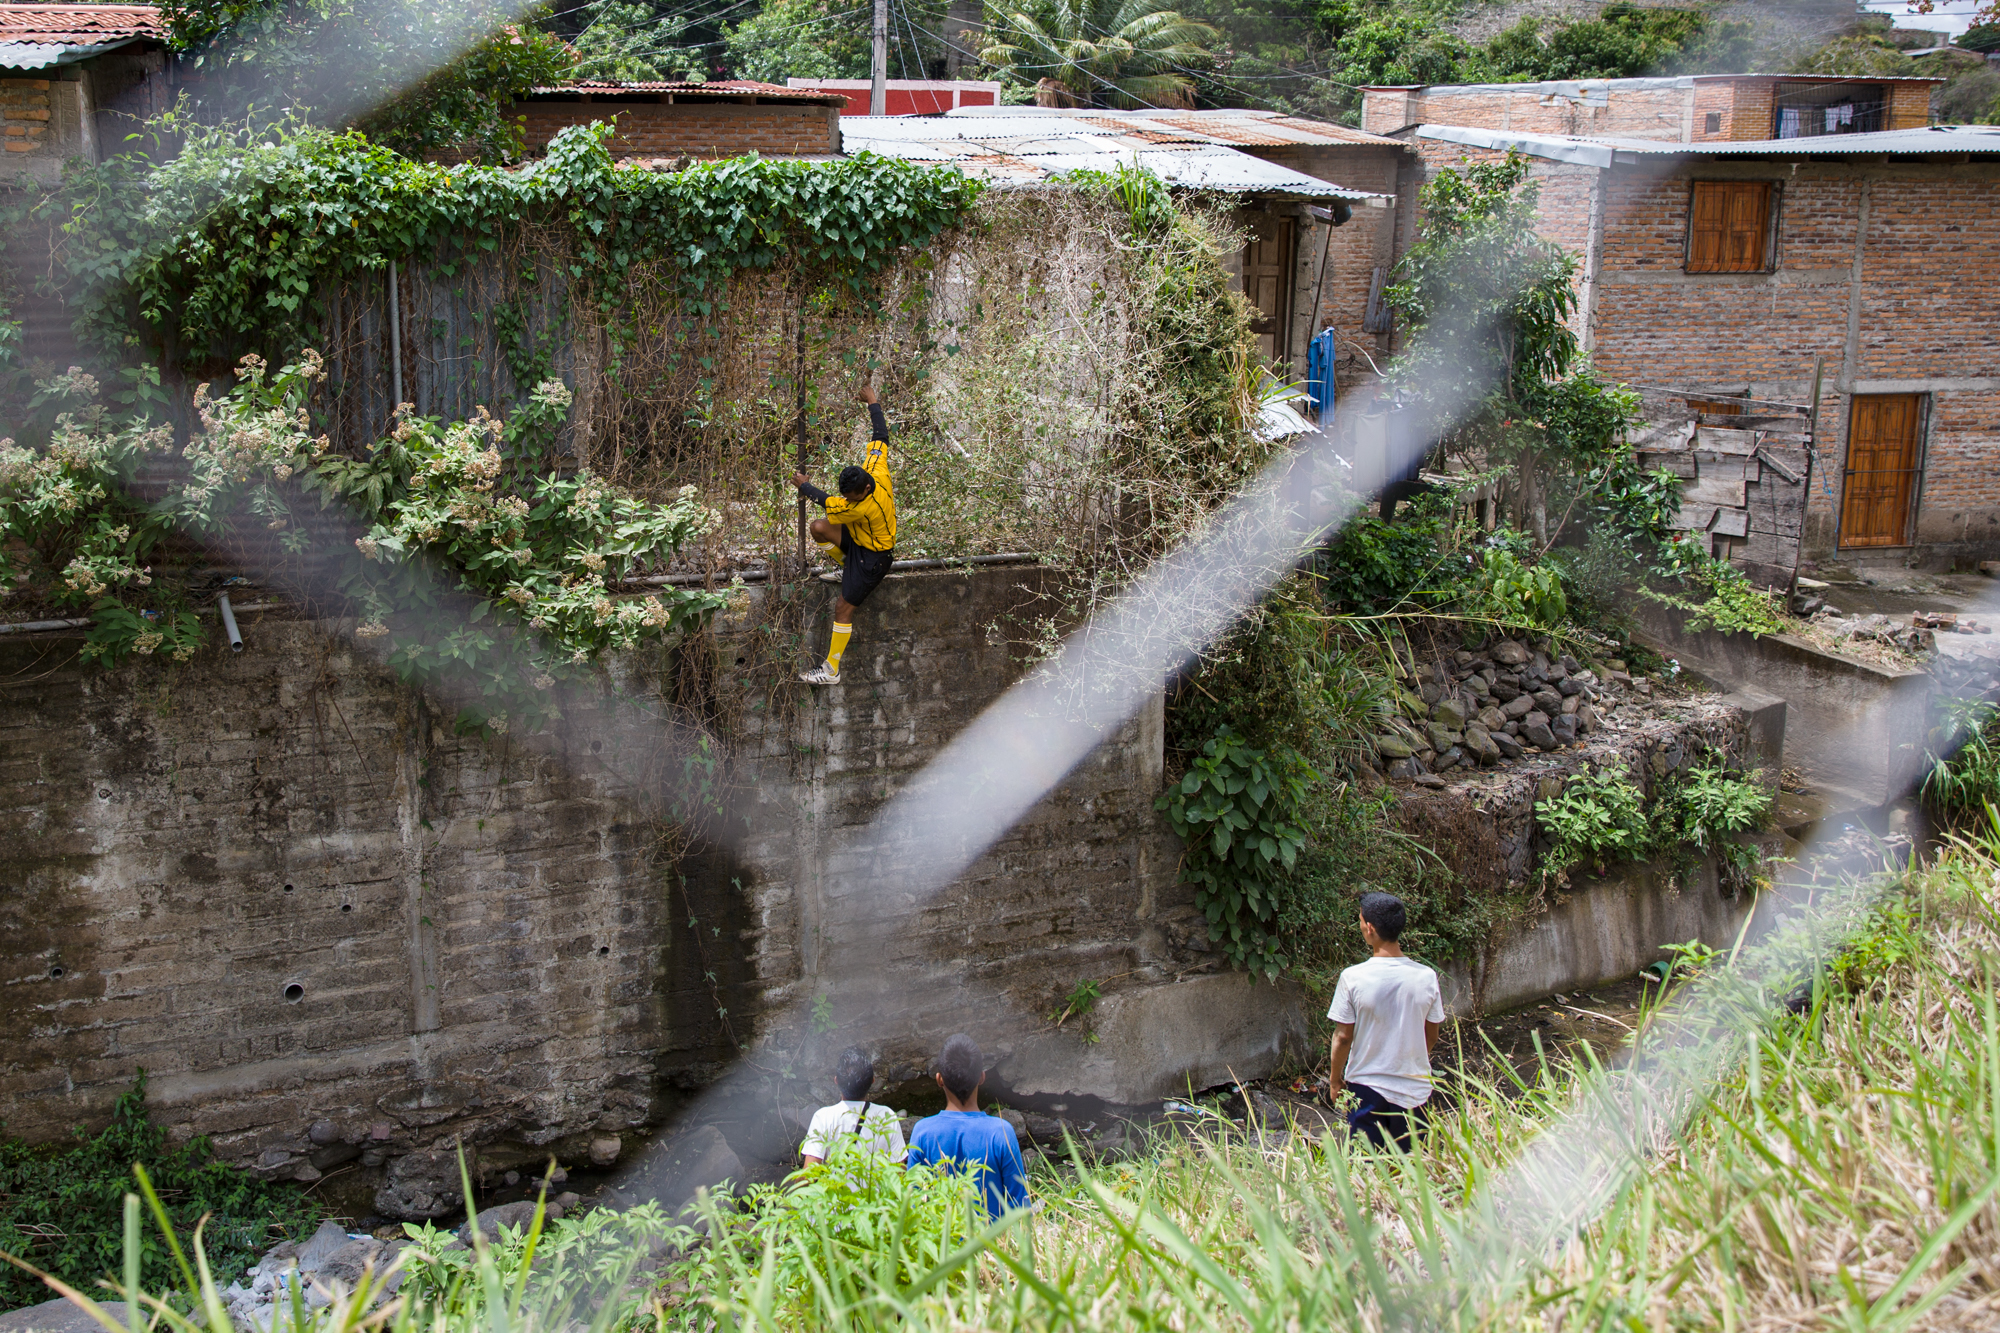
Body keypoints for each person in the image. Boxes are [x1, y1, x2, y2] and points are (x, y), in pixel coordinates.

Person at [791, 384, 895, 686]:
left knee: (842, 608)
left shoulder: (861, 508)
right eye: (846, 496)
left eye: (852, 497)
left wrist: (805, 485)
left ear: (863, 490)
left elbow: (827, 502)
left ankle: (831, 670)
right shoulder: (875, 467)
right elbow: (880, 435)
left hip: (874, 558)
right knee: (819, 528)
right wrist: (872, 400)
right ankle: (843, 567)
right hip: (860, 540)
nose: (849, 500)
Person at [1327, 892, 1444, 1150]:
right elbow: (1431, 1035)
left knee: (1366, 1174)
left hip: (1366, 1091)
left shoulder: (1353, 977)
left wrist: (1335, 1081)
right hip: (1415, 1091)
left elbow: (1343, 1037)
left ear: (1370, 928)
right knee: (1413, 1173)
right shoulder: (1426, 977)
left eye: (1359, 920)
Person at [903, 1034, 1029, 1219]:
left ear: (939, 1080)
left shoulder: (923, 1133)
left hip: (941, 1246)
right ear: (982, 1077)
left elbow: (912, 1205)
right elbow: (1020, 1208)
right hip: (993, 1246)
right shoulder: (1001, 1132)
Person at [800, 1045, 906, 1167]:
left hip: (836, 1186)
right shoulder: (887, 1116)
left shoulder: (823, 1117)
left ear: (836, 1081)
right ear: (873, 1080)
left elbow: (809, 1174)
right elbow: (899, 1173)